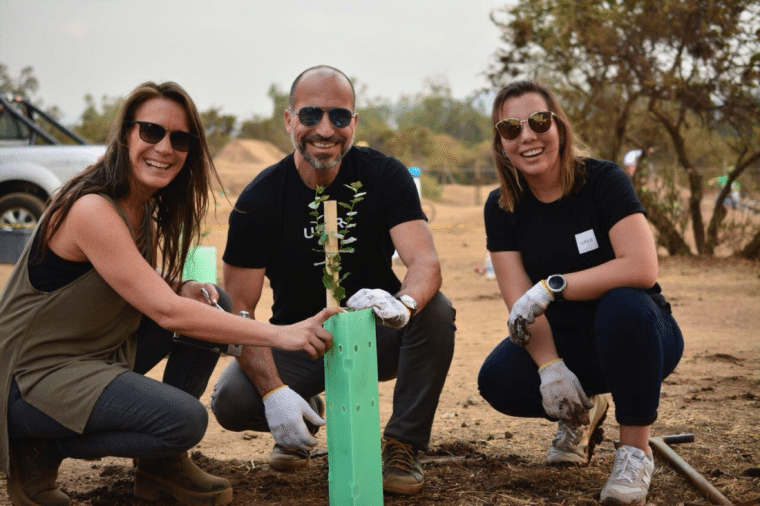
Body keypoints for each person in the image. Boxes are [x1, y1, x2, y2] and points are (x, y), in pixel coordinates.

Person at [0, 81, 338, 506]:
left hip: (85, 359)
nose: (164, 147)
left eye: (180, 139)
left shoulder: (141, 211)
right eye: (151, 131)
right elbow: (167, 314)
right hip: (29, 380)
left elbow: (131, 280)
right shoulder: (92, 209)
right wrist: (282, 334)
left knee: (212, 299)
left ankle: (161, 471)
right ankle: (37, 446)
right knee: (184, 420)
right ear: (126, 134)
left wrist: (181, 287)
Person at [210, 65, 456, 496]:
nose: (325, 129)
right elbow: (241, 310)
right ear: (289, 121)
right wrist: (272, 393)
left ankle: (404, 444)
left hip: (378, 332)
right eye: (310, 115)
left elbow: (425, 262)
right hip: (298, 343)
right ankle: (301, 405)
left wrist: (404, 304)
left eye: (339, 117)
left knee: (436, 310)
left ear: (354, 124)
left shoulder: (384, 176)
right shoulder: (259, 201)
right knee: (231, 401)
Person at [477, 80, 683, 505]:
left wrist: (555, 286)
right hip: (568, 341)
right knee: (497, 380)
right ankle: (579, 410)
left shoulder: (603, 180)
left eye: (538, 121)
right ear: (501, 144)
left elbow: (641, 267)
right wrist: (550, 366)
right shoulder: (501, 205)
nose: (528, 136)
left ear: (559, 127)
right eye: (511, 129)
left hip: (641, 332)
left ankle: (634, 451)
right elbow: (520, 303)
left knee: (622, 305)